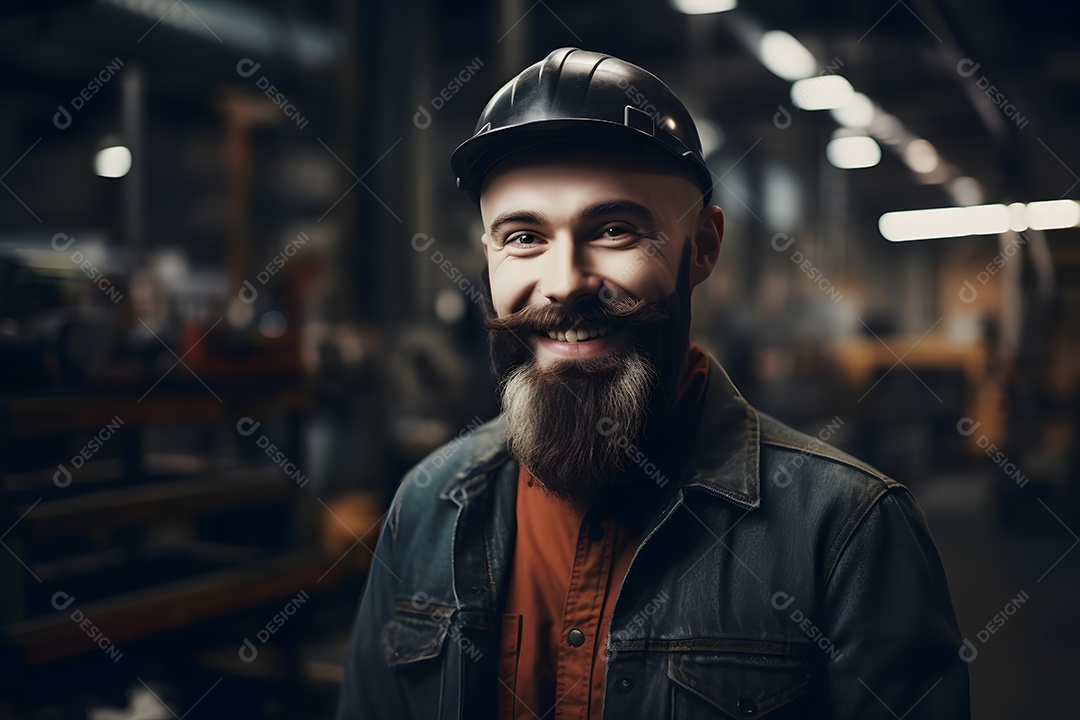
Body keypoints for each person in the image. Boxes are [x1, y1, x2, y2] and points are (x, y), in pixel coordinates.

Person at [337, 47, 969, 720]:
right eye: (523, 237)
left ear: (704, 247)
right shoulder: (427, 507)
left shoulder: (848, 534)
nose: (564, 282)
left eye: (614, 230)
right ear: (488, 254)